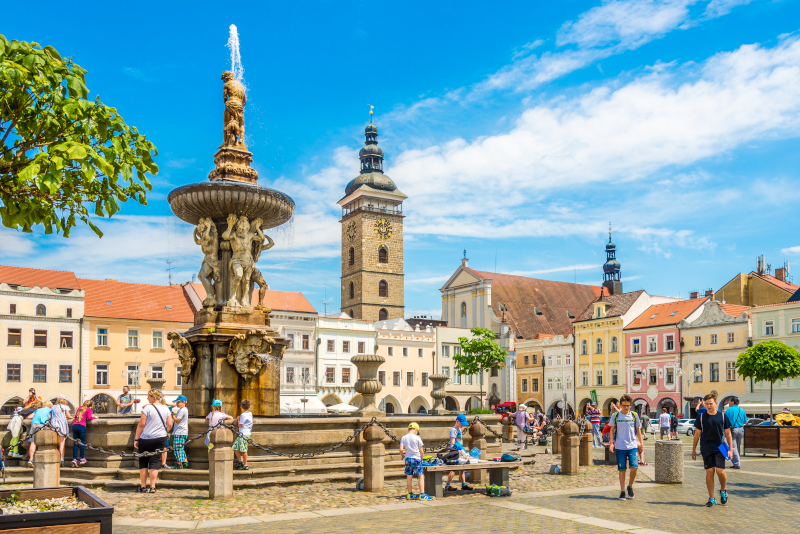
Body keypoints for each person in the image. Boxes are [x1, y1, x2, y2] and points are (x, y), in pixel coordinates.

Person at [692, 392, 733, 507]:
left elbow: (728, 434)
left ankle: (723, 490)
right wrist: (694, 449)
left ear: (716, 403)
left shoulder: (723, 416)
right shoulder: (701, 417)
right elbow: (697, 434)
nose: (709, 406)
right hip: (706, 447)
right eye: (706, 404)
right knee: (710, 471)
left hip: (721, 447)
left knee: (721, 471)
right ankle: (711, 498)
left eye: (711, 404)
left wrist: (731, 450)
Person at [133, 389, 173, 493]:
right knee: (154, 461)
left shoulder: (147, 408)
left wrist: (136, 438)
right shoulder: (166, 409)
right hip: (160, 438)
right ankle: (153, 487)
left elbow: (141, 424)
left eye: (148, 396)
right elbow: (170, 424)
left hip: (146, 437)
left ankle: (143, 486)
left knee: (143, 461)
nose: (147, 398)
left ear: (153, 397)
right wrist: (164, 432)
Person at [609, 394, 643, 501]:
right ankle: (623, 491)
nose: (626, 407)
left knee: (634, 467)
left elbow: (638, 430)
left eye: (628, 405)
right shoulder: (616, 415)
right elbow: (611, 430)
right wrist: (611, 444)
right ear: (621, 405)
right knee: (622, 469)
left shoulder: (634, 415)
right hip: (620, 446)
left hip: (632, 445)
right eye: (624, 405)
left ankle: (630, 486)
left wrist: (641, 444)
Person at [399, 422, 433, 500]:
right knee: (421, 476)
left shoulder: (404, 437)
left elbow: (401, 449)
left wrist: (402, 456)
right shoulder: (417, 438)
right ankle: (422, 494)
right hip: (416, 459)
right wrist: (421, 458)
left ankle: (410, 494)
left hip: (407, 459)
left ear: (408, 430)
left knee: (409, 477)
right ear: (416, 431)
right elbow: (421, 451)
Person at [444, 414, 473, 492]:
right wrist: (460, 448)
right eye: (462, 423)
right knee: (454, 469)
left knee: (461, 468)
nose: (463, 425)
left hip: (459, 451)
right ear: (457, 421)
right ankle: (447, 485)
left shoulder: (459, 429)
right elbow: (453, 443)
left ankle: (463, 484)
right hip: (455, 452)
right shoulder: (453, 430)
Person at [27, 401, 52, 468]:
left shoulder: (38, 410)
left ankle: (31, 459)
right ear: (50, 406)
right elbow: (50, 417)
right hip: (42, 425)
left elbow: (29, 417)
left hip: (34, 425)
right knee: (46, 441)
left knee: (33, 443)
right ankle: (44, 458)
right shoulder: (49, 410)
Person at [71, 400, 96, 467]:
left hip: (74, 426)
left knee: (75, 443)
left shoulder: (80, 408)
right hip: (81, 426)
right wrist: (95, 417)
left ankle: (74, 459)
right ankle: (82, 458)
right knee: (82, 442)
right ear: (90, 406)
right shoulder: (89, 410)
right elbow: (89, 417)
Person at [723, 398, 746, 469]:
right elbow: (745, 421)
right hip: (741, 430)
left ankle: (736, 463)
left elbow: (724, 420)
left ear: (732, 402)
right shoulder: (742, 410)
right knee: (738, 447)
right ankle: (737, 461)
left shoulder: (729, 410)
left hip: (733, 430)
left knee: (733, 446)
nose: (729, 403)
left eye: (729, 402)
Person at [170, 395, 190, 469]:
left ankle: (179, 464)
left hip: (180, 432)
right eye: (177, 402)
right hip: (182, 431)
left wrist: (173, 416)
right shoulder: (184, 409)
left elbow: (177, 420)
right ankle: (185, 461)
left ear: (184, 402)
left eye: (179, 402)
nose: (177, 404)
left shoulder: (182, 410)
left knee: (177, 448)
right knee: (181, 448)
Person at [50, 397, 71, 466]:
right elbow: (69, 416)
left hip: (54, 424)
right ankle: (61, 459)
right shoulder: (65, 407)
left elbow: (50, 416)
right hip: (62, 425)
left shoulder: (53, 407)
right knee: (62, 443)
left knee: (54, 442)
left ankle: (53, 458)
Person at [234, 399, 253, 470]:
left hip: (244, 434)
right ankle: (240, 461)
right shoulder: (250, 413)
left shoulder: (243, 415)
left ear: (241, 407)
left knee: (244, 450)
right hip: (243, 434)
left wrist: (238, 419)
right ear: (249, 407)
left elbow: (240, 425)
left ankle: (245, 465)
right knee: (235, 447)